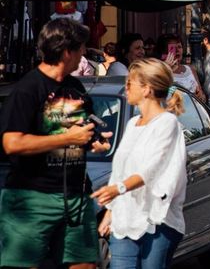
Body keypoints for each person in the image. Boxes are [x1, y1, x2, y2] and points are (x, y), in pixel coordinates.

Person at [0, 18, 112, 269]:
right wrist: (66, 139)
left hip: (76, 194)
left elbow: (83, 130)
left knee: (85, 264)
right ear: (66, 51)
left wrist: (94, 141)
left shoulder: (75, 88)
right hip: (32, 196)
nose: (84, 53)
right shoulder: (28, 89)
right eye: (81, 48)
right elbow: (11, 142)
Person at [92, 59, 187, 269]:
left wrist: (118, 189)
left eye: (130, 84)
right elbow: (120, 170)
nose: (126, 88)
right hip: (125, 218)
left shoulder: (167, 123)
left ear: (147, 89)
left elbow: (152, 168)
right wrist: (110, 211)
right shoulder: (132, 123)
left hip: (157, 219)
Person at [158, 35, 205, 101]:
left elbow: (202, 95)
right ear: (165, 51)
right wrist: (165, 69)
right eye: (173, 48)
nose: (177, 50)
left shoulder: (190, 68)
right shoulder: (161, 70)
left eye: (179, 47)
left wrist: (201, 95)